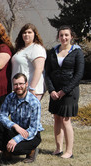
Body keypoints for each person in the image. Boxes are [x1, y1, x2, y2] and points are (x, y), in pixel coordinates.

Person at [45, 25, 84, 159]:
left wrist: (64, 91)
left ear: (71, 36)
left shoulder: (77, 52)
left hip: (70, 92)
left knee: (66, 120)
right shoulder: (52, 51)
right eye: (61, 35)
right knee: (56, 118)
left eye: (66, 35)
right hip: (55, 92)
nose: (64, 37)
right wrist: (52, 90)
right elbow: (47, 73)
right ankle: (58, 148)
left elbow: (78, 75)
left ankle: (69, 151)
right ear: (58, 37)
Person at [0, 73, 43, 164]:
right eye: (15, 84)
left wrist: (16, 139)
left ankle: (32, 150)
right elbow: (1, 116)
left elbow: (33, 129)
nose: (18, 86)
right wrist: (14, 125)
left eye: (21, 84)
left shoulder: (34, 102)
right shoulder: (10, 97)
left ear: (26, 84)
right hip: (16, 129)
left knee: (16, 150)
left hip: (31, 134)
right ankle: (7, 152)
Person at [12, 23, 46, 100]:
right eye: (24, 32)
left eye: (29, 32)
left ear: (35, 34)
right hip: (20, 89)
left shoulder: (36, 48)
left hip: (30, 91)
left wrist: (32, 88)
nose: (26, 34)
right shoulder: (22, 49)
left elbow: (39, 69)